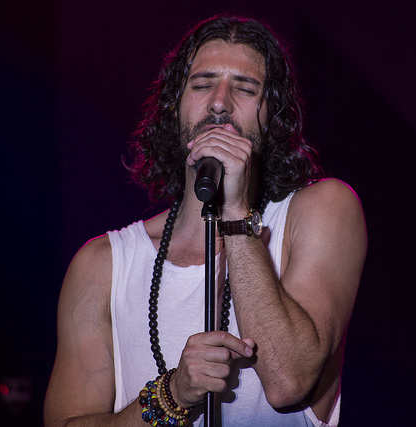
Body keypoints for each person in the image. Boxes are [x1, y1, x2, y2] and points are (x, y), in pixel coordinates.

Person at [44, 14, 367, 427]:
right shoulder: (104, 264)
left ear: (273, 116)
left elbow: (288, 380)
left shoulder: (322, 210)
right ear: (174, 106)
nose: (219, 103)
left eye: (245, 88)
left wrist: (234, 211)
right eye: (202, 84)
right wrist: (172, 395)